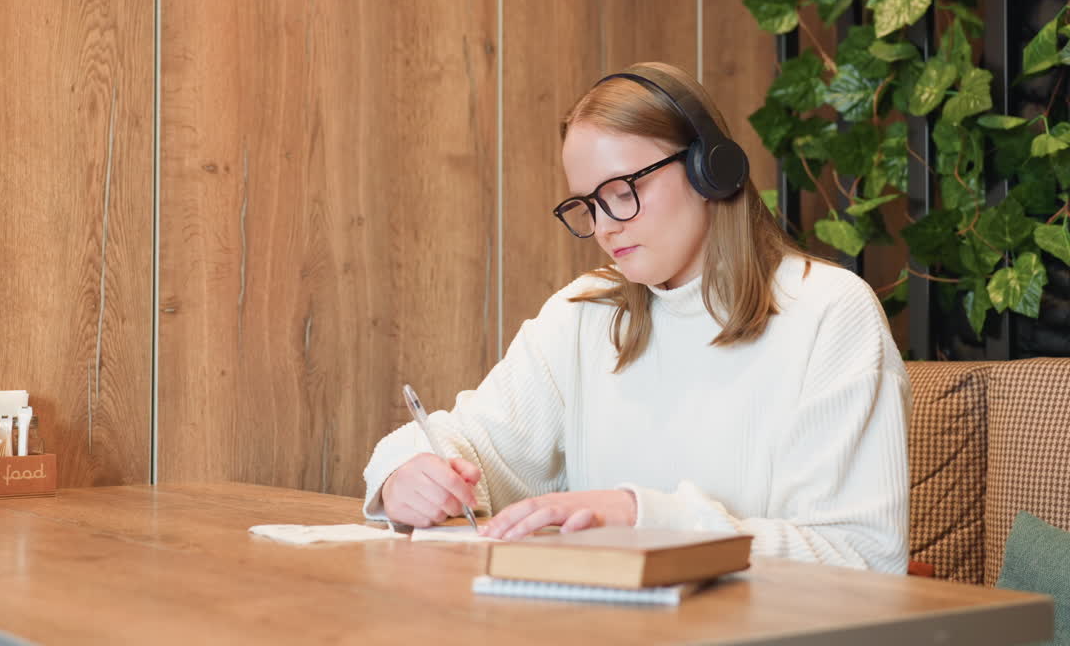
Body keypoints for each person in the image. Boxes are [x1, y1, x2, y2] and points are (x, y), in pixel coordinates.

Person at [362, 62, 910, 574]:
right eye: (587, 205)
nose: (605, 227)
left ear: (710, 169)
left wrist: (640, 517)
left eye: (622, 191)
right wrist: (407, 473)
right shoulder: (585, 313)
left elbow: (865, 557)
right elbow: (468, 444)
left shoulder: (830, 312)